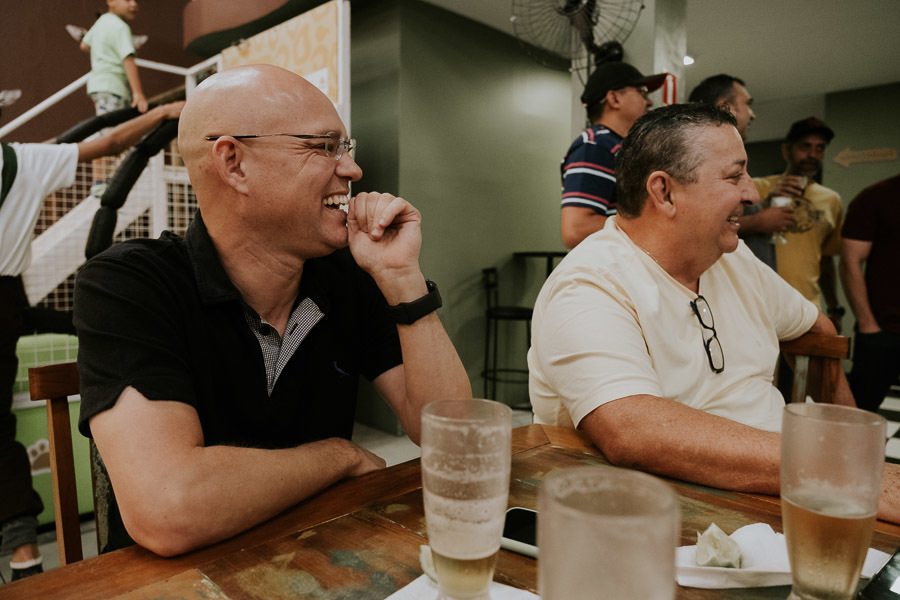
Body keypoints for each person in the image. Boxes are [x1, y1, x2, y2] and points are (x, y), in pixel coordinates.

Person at [73, 64, 472, 557]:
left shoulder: (347, 275)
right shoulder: (130, 284)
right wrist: (338, 457)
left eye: (346, 149)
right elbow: (168, 507)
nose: (352, 170)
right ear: (234, 163)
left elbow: (454, 437)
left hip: (321, 557)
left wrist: (401, 276)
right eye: (324, 147)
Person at [527, 103, 900, 523]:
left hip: (787, 491)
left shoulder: (733, 257)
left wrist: (847, 454)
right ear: (664, 192)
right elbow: (633, 431)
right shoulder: (589, 285)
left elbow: (818, 329)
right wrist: (844, 472)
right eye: (734, 175)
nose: (752, 193)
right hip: (662, 513)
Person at [0, 100, 185, 581]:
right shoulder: (20, 160)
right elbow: (109, 143)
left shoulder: (25, 157)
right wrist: (165, 113)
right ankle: (26, 557)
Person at [688, 73, 792, 269]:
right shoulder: (699, 156)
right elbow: (695, 222)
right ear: (726, 107)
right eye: (747, 104)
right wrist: (759, 221)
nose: (752, 114)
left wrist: (764, 207)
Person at [559, 60, 666, 249]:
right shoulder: (595, 145)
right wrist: (655, 227)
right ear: (614, 98)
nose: (649, 101)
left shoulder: (621, 146)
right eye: (641, 92)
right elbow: (576, 228)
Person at [754, 117, 845, 328]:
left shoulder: (831, 200)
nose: (812, 155)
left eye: (819, 149)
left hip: (807, 307)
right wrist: (765, 206)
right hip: (759, 301)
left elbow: (826, 261)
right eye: (805, 147)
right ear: (787, 151)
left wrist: (833, 308)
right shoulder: (757, 188)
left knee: (805, 362)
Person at [840, 174, 900, 412]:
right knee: (858, 412)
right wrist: (868, 325)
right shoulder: (877, 196)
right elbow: (849, 262)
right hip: (883, 329)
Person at [80, 0, 147, 115]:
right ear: (110, 1)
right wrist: (138, 93)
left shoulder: (102, 21)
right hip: (113, 85)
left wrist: (103, 50)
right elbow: (128, 59)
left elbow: (84, 45)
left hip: (98, 85)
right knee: (113, 127)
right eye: (127, 0)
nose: (134, 4)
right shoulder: (121, 27)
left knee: (108, 122)